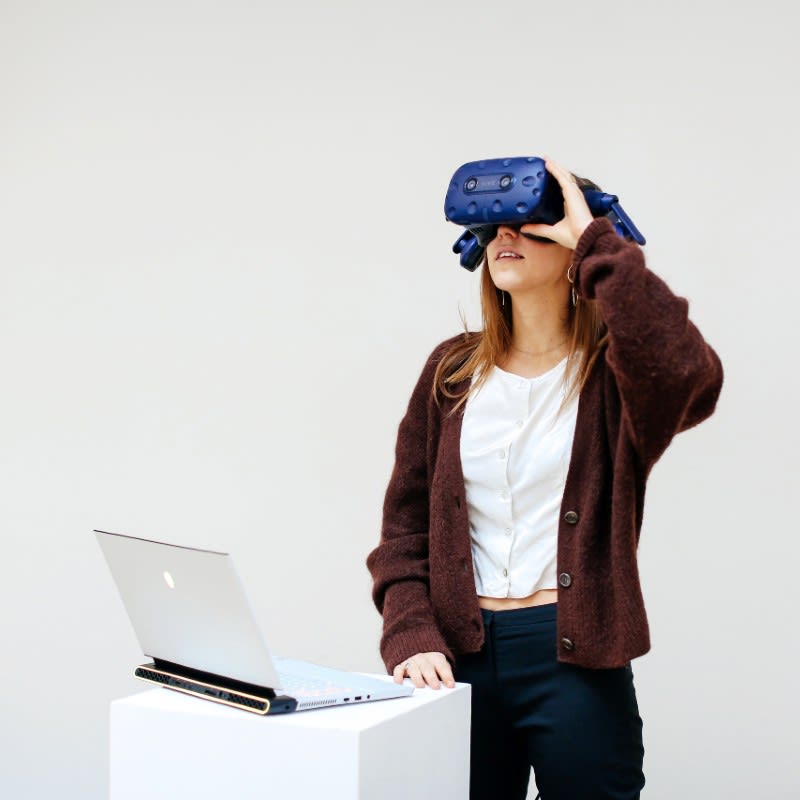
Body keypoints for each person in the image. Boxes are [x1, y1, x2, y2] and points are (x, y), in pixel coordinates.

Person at [366, 158, 723, 800]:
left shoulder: (616, 379)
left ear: (570, 247)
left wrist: (598, 244)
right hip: (456, 663)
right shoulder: (451, 372)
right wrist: (409, 632)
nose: (508, 236)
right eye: (494, 226)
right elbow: (403, 530)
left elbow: (686, 371)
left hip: (574, 658)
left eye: (533, 224)